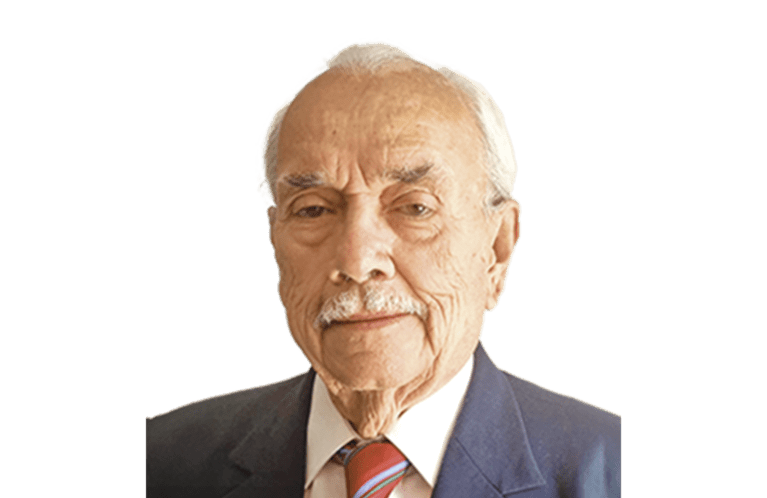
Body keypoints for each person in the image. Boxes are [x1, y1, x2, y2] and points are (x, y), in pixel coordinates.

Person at [146, 40, 621, 498]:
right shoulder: (156, 465)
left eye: (415, 208)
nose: (357, 262)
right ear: (275, 241)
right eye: (313, 210)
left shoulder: (616, 472)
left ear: (497, 249)